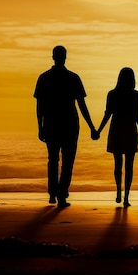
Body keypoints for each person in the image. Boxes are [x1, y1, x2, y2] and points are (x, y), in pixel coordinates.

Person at [33, 45, 98, 208]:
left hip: (52, 123)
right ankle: (60, 194)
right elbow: (82, 105)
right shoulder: (72, 77)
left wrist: (40, 126)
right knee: (67, 161)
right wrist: (91, 126)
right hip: (68, 124)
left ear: (53, 57)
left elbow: (40, 106)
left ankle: (53, 193)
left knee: (53, 160)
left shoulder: (44, 77)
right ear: (64, 57)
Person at [96, 67, 138, 207]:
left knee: (118, 164)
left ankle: (119, 192)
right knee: (129, 166)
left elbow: (107, 115)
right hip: (130, 131)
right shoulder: (136, 95)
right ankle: (126, 196)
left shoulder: (112, 94)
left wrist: (99, 131)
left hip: (116, 130)